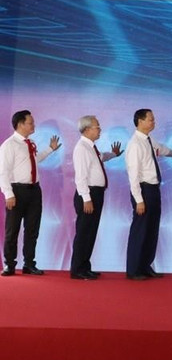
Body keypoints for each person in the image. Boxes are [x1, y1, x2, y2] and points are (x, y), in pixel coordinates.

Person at [125, 109, 172, 280]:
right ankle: (134, 270)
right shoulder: (135, 145)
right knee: (140, 230)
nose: (154, 122)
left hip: (153, 190)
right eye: (151, 119)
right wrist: (139, 200)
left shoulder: (148, 140)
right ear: (140, 121)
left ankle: (146, 266)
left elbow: (162, 149)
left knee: (152, 230)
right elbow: (133, 176)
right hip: (143, 190)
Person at [0, 110, 61, 276]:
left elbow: (34, 160)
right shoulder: (9, 145)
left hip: (34, 191)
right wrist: (9, 194)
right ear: (20, 124)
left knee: (32, 229)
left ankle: (29, 264)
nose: (33, 125)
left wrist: (50, 149)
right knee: (12, 230)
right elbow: (3, 172)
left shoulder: (30, 143)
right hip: (17, 191)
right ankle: (9, 264)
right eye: (30, 123)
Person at [70, 115, 122, 280]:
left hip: (96, 194)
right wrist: (86, 198)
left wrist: (113, 154)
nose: (100, 129)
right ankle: (77, 269)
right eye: (97, 127)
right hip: (88, 194)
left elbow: (101, 159)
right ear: (86, 130)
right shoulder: (81, 149)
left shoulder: (91, 148)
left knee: (91, 232)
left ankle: (85, 266)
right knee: (84, 232)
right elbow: (81, 177)